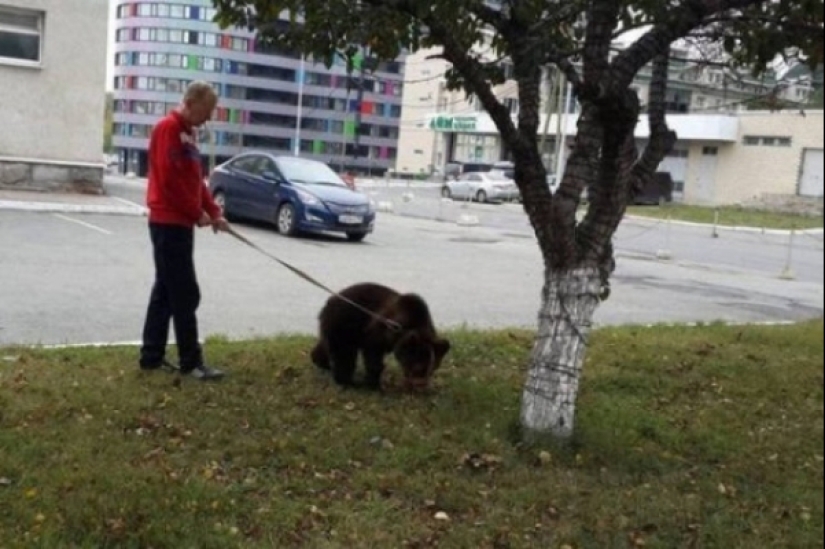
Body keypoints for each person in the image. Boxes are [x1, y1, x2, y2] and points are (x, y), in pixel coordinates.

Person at [138, 81, 230, 381]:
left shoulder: (189, 135)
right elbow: (168, 182)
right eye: (205, 111)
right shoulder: (167, 129)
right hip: (167, 223)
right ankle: (191, 361)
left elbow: (196, 183)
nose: (207, 118)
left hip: (180, 224)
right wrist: (196, 214)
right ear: (189, 103)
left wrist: (215, 212)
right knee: (184, 293)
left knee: (165, 290)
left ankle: (151, 356)